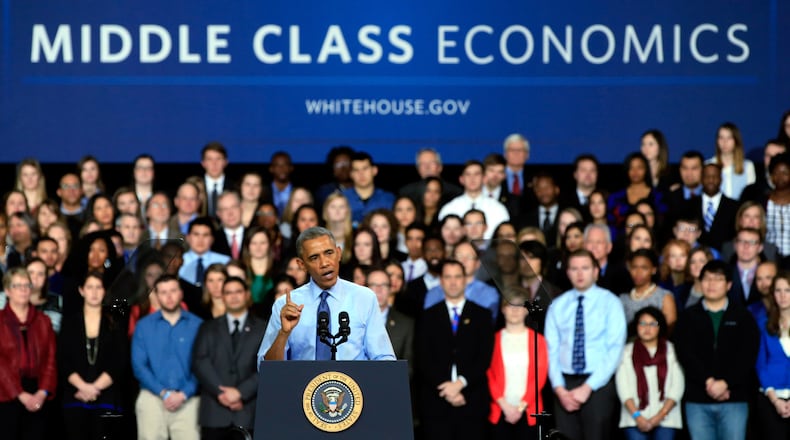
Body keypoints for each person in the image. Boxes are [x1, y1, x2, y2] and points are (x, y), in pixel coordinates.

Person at [257, 227, 395, 362]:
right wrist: (283, 333)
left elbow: (384, 358)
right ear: (302, 265)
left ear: (339, 253)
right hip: (304, 378)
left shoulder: (364, 298)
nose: (324, 263)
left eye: (329, 253)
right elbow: (267, 369)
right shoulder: (285, 305)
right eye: (314, 257)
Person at [544, 249, 627, 440]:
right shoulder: (558, 305)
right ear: (568, 273)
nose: (580, 273)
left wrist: (588, 386)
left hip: (598, 382)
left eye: (585, 268)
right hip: (564, 382)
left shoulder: (610, 302)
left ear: (595, 272)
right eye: (574, 269)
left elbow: (615, 349)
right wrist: (559, 389)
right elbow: (550, 349)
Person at [672, 260, 759, 440]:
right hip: (697, 398)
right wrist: (708, 381)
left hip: (734, 398)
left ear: (729, 285)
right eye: (707, 279)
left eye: (718, 279)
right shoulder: (688, 316)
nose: (711, 284)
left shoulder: (743, 316)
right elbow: (684, 353)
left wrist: (726, 383)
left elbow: (747, 355)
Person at [417, 259, 495, 440]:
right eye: (448, 277)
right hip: (436, 402)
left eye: (457, 277)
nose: (453, 282)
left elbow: (484, 356)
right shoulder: (427, 316)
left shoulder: (482, 315)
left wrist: (460, 383)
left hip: (472, 400)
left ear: (465, 280)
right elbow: (423, 357)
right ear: (441, 281)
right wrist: (448, 389)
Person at [192, 276, 267, 440]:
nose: (234, 296)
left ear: (247, 294)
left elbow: (266, 366)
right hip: (214, 412)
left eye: (238, 292)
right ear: (222, 297)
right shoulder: (207, 327)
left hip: (248, 412)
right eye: (228, 292)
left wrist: (240, 393)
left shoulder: (263, 328)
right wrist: (221, 392)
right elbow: (200, 362)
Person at [131, 274, 203, 440]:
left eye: (173, 291)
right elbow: (139, 366)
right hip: (152, 396)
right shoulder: (143, 326)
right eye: (163, 292)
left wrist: (184, 393)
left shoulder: (198, 325)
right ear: (156, 296)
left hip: (188, 397)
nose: (169, 296)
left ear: (181, 293)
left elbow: (203, 364)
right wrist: (163, 393)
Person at [59, 272, 127, 440]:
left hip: (107, 395)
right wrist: (83, 386)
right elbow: (62, 359)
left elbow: (119, 360)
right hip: (75, 393)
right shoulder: (69, 322)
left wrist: (95, 388)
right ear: (81, 291)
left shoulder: (115, 322)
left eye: (98, 287)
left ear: (105, 291)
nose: (94, 292)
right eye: (90, 287)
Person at [0, 267, 57, 440]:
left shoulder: (43, 321)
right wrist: (20, 394)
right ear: (7, 291)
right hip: (6, 393)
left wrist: (42, 392)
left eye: (27, 285)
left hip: (38, 391)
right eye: (17, 285)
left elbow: (51, 359)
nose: (24, 290)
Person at [615, 306, 684, 440]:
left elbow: (677, 386)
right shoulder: (626, 352)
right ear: (636, 326)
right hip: (633, 418)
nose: (647, 328)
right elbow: (623, 387)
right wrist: (637, 417)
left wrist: (660, 416)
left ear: (660, 327)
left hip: (667, 418)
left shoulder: (672, 350)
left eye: (652, 324)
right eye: (642, 323)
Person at [487, 290, 548, 440]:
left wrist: (520, 408)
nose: (515, 310)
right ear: (503, 309)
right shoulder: (493, 340)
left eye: (520, 305)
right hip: (500, 410)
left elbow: (539, 377)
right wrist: (505, 406)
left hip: (529, 411)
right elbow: (489, 375)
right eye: (510, 305)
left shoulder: (538, 340)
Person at [754, 271, 790, 437]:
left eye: (787, 290)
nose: (782, 296)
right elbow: (760, 365)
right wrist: (775, 400)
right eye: (778, 290)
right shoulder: (764, 324)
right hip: (771, 398)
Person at [439, 160, 510, 239]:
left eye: (477, 174)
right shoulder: (449, 208)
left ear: (484, 178)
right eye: (468, 174)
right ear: (461, 179)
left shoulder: (498, 209)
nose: (472, 178)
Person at [620, 249, 677, 332]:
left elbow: (669, 329)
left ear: (653, 270)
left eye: (644, 268)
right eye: (634, 267)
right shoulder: (623, 299)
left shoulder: (664, 297)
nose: (638, 272)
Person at [343, 151, 395, 226]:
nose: (361, 174)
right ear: (351, 174)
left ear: (374, 170)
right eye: (356, 170)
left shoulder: (388, 199)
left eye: (365, 169)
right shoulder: (342, 199)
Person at [707, 122, 755, 200]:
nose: (724, 142)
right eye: (721, 137)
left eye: (729, 138)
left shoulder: (748, 166)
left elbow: (751, 195)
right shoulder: (708, 165)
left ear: (736, 140)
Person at [201, 141, 230, 217]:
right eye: (209, 159)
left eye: (218, 159)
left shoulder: (234, 188)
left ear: (225, 162)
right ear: (203, 163)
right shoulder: (195, 187)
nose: (214, 163)